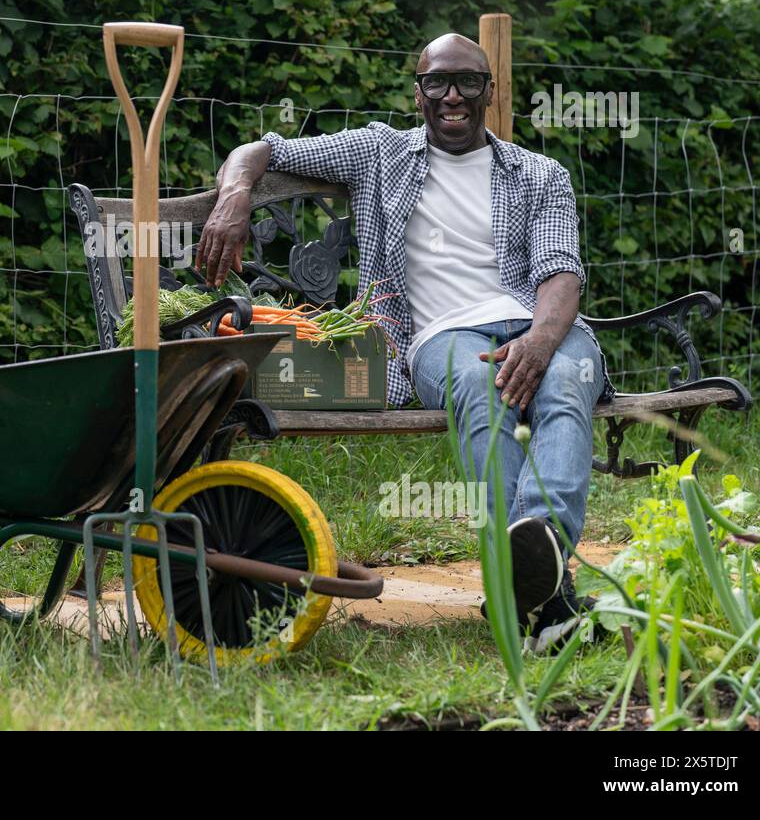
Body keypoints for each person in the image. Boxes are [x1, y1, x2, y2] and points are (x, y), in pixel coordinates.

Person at [196, 33, 613, 652]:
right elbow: (260, 149)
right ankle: (546, 595)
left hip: (541, 324)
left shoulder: (538, 172)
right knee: (481, 386)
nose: (452, 95)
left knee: (567, 383)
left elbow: (561, 270)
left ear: (488, 92)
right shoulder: (378, 154)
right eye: (437, 82)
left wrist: (542, 339)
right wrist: (234, 195)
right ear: (416, 93)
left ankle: (532, 576)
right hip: (441, 338)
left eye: (468, 82)